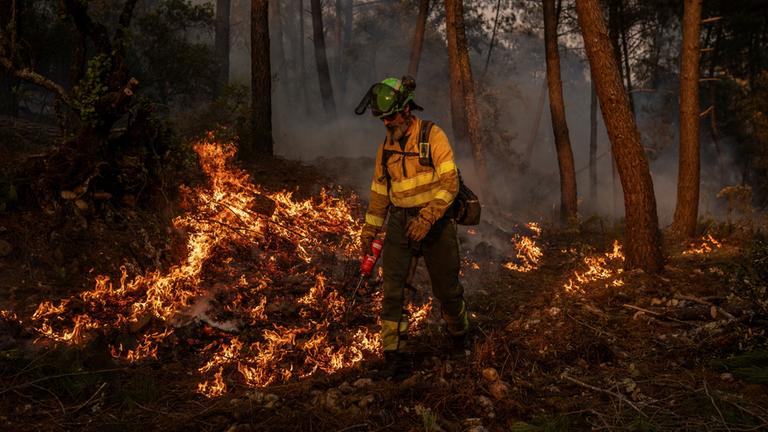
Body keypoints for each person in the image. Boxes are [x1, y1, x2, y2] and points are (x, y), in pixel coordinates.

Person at [354, 75, 470, 379]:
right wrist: (369, 230)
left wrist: (429, 216)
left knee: (446, 289)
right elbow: (380, 193)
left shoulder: (433, 136)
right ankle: (394, 356)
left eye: (390, 116)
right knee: (393, 291)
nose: (386, 123)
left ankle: (460, 336)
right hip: (400, 222)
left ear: (406, 110)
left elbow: (450, 183)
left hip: (436, 222)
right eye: (381, 117)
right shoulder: (386, 147)